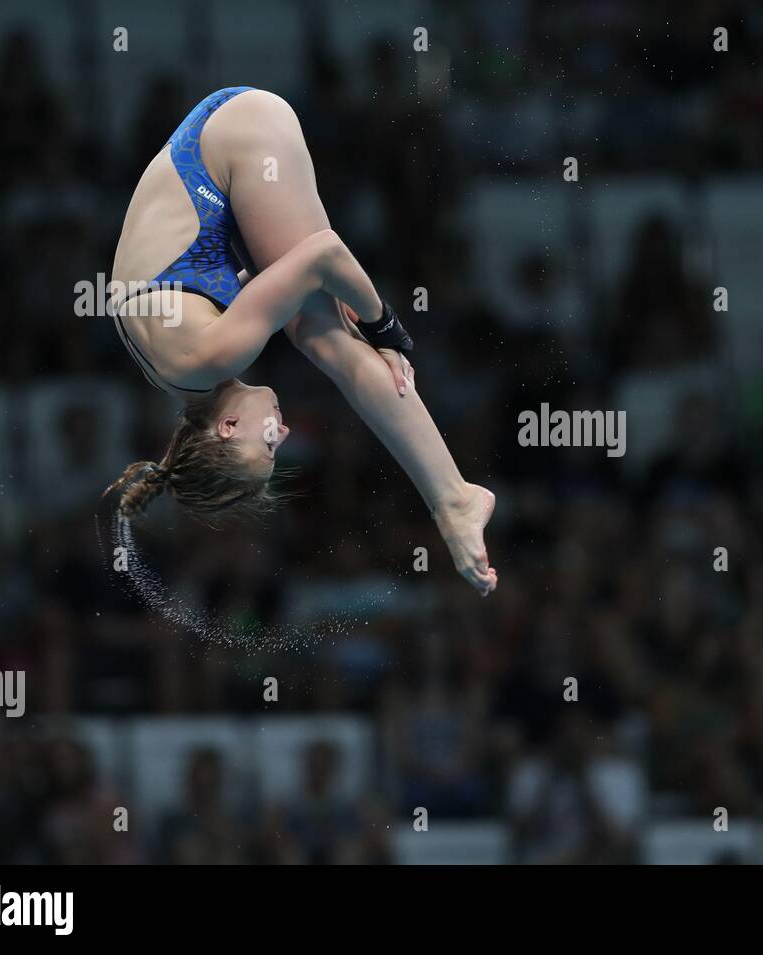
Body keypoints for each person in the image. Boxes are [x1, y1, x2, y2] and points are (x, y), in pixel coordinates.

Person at [105, 87, 496, 595]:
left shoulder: (212, 355)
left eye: (267, 443)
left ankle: (451, 499)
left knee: (323, 337)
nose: (282, 434)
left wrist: (384, 328)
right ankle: (450, 496)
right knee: (314, 322)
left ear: (225, 427)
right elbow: (254, 279)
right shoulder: (176, 371)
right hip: (217, 139)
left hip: (239, 137)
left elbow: (324, 254)